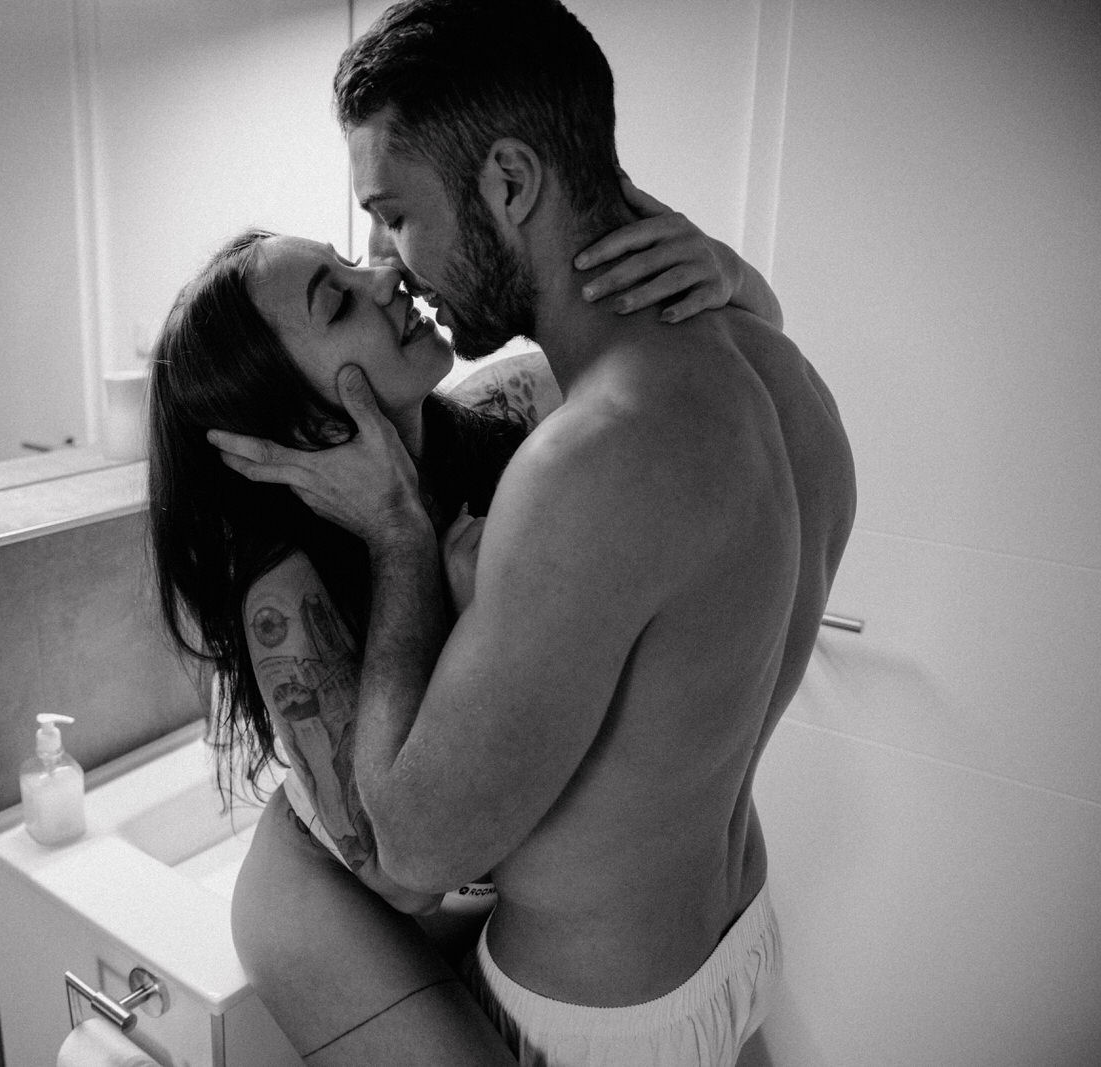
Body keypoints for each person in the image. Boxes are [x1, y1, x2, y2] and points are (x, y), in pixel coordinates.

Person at [206, 1, 856, 1064]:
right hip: (736, 941)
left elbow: (415, 850)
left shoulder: (588, 464)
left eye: (395, 216)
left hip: (604, 1013)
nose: (390, 263)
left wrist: (400, 535)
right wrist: (729, 268)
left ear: (509, 183)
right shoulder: (774, 371)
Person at [150, 190, 788, 1065]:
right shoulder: (284, 594)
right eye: (338, 300)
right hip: (337, 895)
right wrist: (403, 540)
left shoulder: (502, 406)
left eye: (350, 261)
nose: (385, 275)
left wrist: (725, 273)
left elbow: (727, 357)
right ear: (303, 421)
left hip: (473, 870)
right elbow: (401, 873)